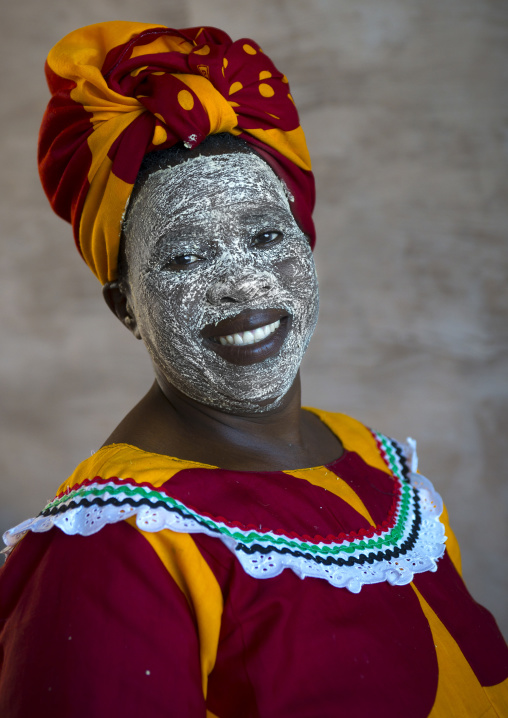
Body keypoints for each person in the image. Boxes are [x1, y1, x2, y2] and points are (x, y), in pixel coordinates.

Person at [0, 21, 507, 718]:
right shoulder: (113, 551)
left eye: (268, 235)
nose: (241, 281)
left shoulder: (375, 462)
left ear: (307, 245)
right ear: (125, 308)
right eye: (183, 257)